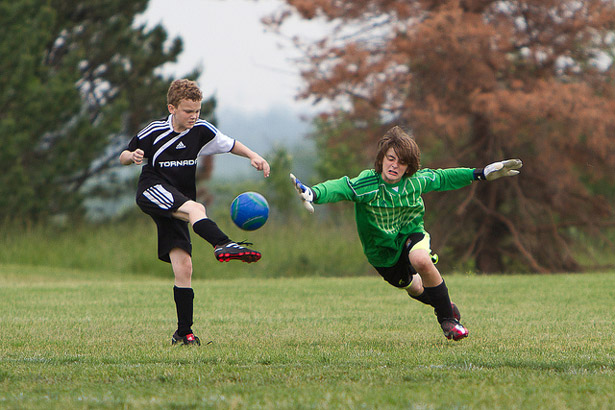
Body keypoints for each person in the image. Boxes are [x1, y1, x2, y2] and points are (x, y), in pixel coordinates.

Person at [290, 126, 522, 341]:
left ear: (409, 167)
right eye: (391, 158)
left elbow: (443, 177)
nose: (394, 165)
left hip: (411, 234)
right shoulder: (367, 185)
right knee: (414, 287)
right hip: (382, 253)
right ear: (381, 159)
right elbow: (339, 187)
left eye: (402, 162)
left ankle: (447, 321)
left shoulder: (415, 181)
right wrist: (314, 193)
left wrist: (479, 173)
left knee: (421, 260)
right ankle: (445, 305)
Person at [119, 79, 270, 346]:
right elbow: (124, 154)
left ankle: (183, 333)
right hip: (152, 190)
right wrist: (132, 157)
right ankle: (223, 243)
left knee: (184, 267)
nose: (194, 116)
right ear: (172, 108)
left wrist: (253, 156)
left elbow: (230, 143)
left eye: (198, 110)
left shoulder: (200, 130)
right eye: (188, 111)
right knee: (195, 209)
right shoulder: (154, 131)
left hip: (178, 198)